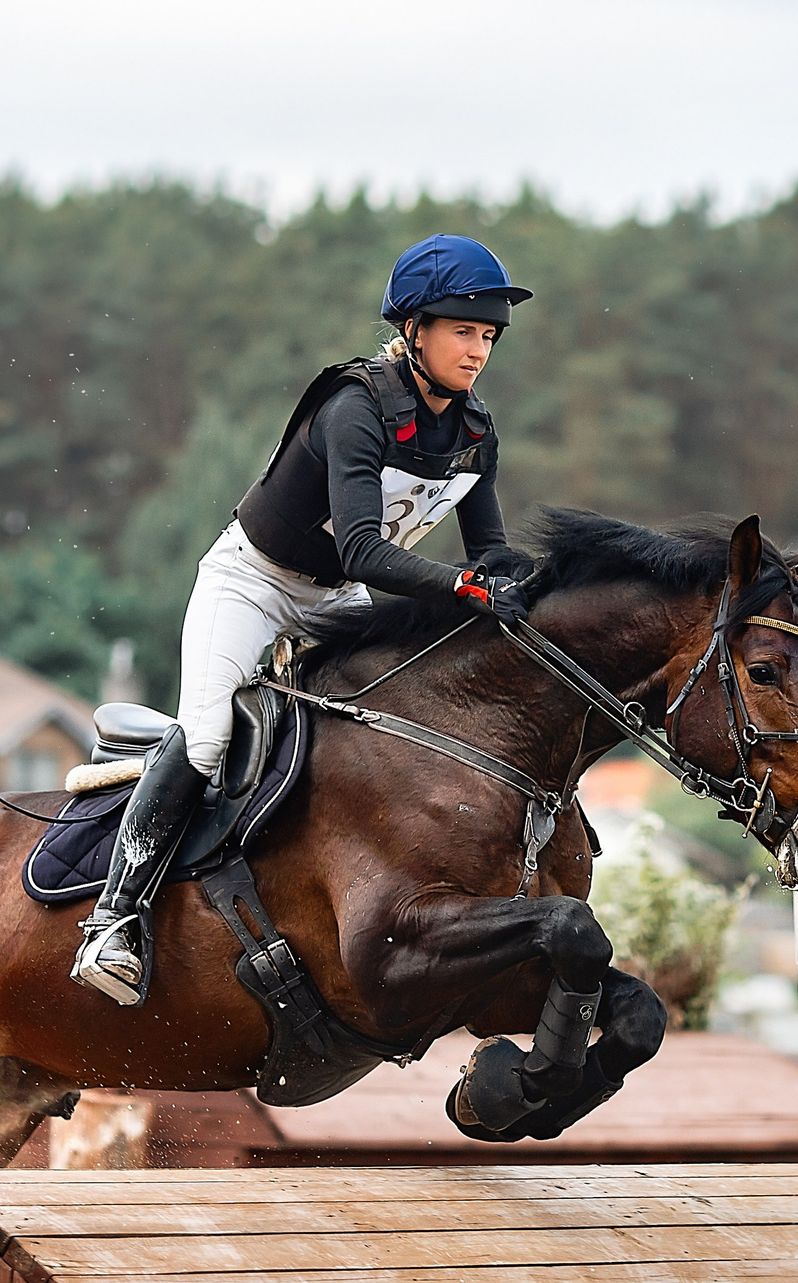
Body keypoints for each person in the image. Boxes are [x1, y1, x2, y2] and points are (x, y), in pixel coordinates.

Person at [71, 234, 537, 1005]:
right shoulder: (355, 406)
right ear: (415, 330)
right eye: (463, 328)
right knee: (212, 734)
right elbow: (360, 548)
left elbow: (490, 554)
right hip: (253, 582)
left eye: (488, 334)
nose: (479, 348)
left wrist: (542, 589)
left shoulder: (476, 433)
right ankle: (115, 918)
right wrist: (466, 588)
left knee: (376, 735)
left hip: (335, 601)